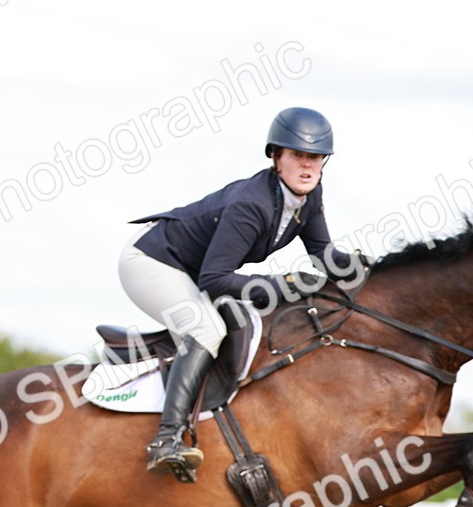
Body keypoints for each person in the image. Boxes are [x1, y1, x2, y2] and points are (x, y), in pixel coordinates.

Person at [119, 107, 343, 482]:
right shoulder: (252, 204)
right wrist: (286, 284)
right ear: (276, 157)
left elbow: (324, 256)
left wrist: (373, 269)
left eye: (316, 157)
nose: (308, 165)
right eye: (298, 155)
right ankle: (166, 439)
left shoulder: (309, 195)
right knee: (206, 328)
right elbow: (215, 280)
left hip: (191, 270)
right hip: (151, 261)